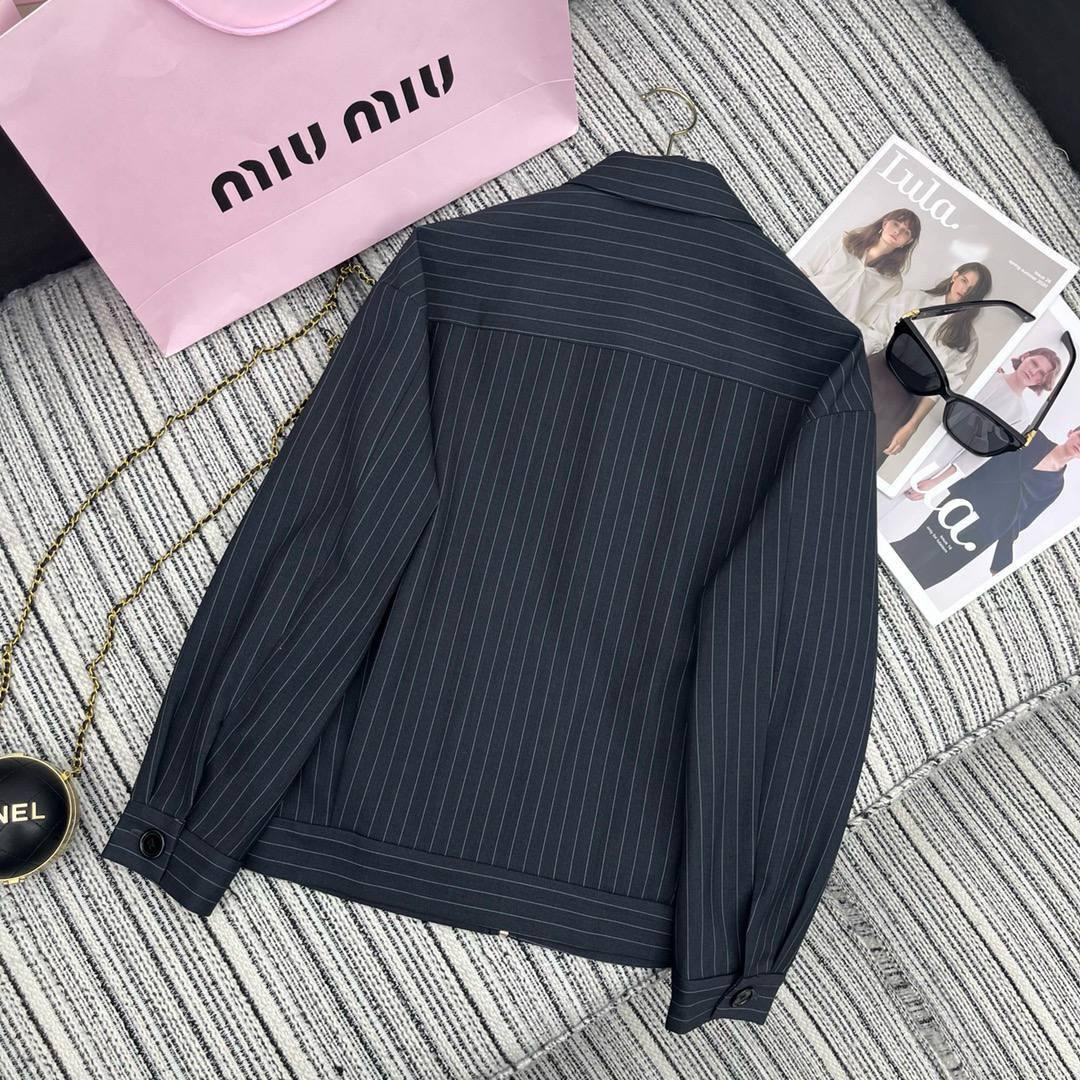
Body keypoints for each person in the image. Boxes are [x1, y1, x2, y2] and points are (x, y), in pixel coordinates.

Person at [891, 424, 1080, 588]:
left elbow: (1020, 521)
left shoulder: (1056, 486)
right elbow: (981, 457)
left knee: (933, 572)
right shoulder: (1033, 437)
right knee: (916, 544)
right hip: (964, 502)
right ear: (1071, 432)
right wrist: (936, 483)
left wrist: (1002, 560)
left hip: (986, 532)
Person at [867, 261, 991, 465]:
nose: (964, 290)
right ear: (955, 276)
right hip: (871, 376)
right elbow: (877, 334)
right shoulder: (914, 299)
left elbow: (938, 392)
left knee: (863, 457)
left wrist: (911, 427)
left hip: (903, 403)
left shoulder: (968, 340)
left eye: (972, 290)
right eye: (963, 281)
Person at [904, 345, 1064, 498]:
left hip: (939, 458)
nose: (1033, 372)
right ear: (1025, 356)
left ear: (1041, 382)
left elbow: (979, 456)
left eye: (1041, 374)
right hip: (920, 429)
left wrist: (935, 483)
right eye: (1034, 363)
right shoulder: (986, 373)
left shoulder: (1020, 417)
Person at [798, 207, 921, 342]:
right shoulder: (843, 241)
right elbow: (806, 271)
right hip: (802, 304)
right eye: (896, 224)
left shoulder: (893, 282)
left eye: (906, 232)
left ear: (908, 241)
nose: (898, 231)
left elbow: (867, 321)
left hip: (830, 331)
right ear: (885, 223)